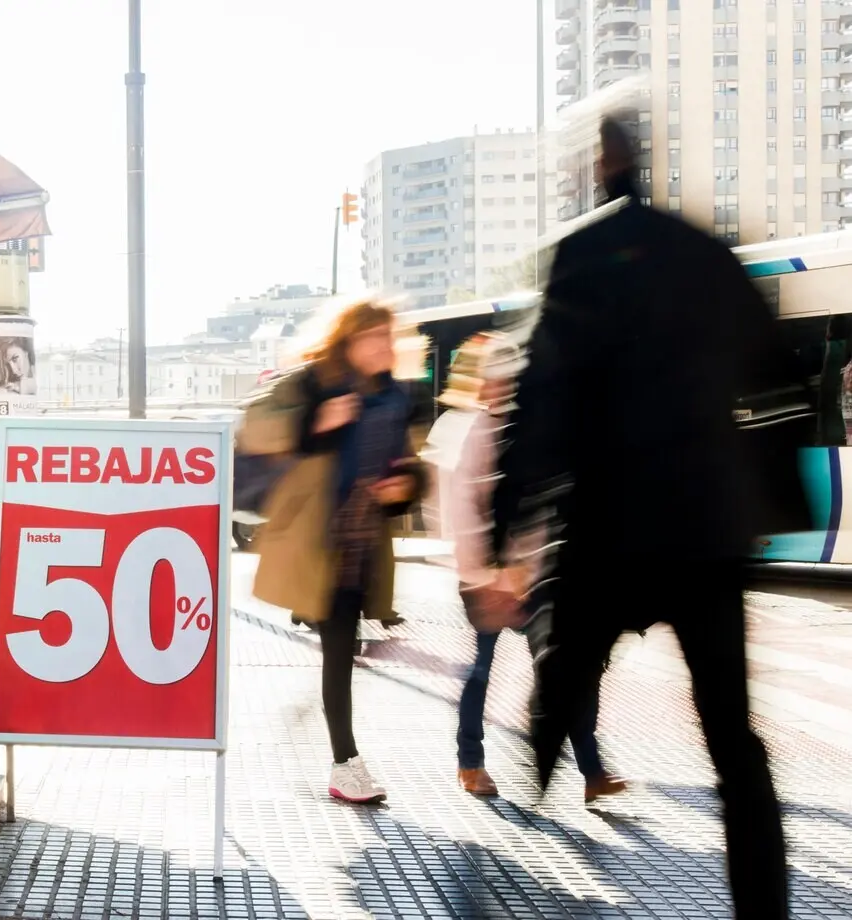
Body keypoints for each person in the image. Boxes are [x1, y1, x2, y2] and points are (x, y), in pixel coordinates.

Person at [492, 116, 801, 919]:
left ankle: (545, 735)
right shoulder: (703, 254)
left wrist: (507, 520)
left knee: (570, 659)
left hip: (609, 525)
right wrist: (771, 503)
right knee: (733, 737)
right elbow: (774, 376)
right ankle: (763, 906)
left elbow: (539, 395)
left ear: (601, 167)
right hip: (702, 530)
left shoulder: (581, 253)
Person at [241, 296, 423, 804]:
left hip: (365, 543)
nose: (386, 347)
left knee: (344, 653)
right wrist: (315, 423)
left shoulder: (394, 397)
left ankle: (344, 759)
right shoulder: (313, 380)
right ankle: (346, 763)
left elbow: (409, 462)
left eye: (390, 338)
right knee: (339, 656)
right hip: (318, 542)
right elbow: (253, 426)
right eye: (375, 337)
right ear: (350, 338)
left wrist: (405, 483)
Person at [435, 332, 625, 801]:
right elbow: (460, 512)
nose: (502, 388)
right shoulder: (468, 432)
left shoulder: (531, 430)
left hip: (533, 579)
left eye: (510, 380)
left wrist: (538, 567)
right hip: (484, 581)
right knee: (481, 670)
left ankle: (592, 771)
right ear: (479, 382)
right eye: (495, 379)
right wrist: (488, 577)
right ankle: (470, 762)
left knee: (560, 668)